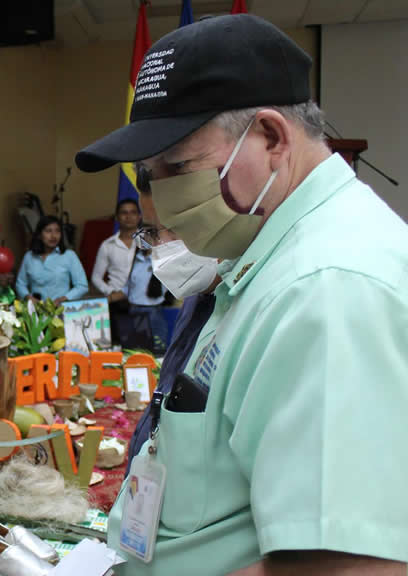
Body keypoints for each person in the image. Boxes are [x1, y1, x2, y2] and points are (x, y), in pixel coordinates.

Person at [76, 14, 408, 575]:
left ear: (272, 138)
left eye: (175, 167)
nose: (156, 200)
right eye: (147, 175)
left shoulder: (326, 289)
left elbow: (344, 567)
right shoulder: (264, 256)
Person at [125, 178, 218, 476]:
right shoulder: (195, 297)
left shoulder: (241, 313)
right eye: (152, 232)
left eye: (175, 228)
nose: (162, 246)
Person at [15, 215, 88, 304]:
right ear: (39, 235)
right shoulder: (29, 256)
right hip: (35, 311)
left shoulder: (69, 255)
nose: (53, 236)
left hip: (61, 310)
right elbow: (20, 284)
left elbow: (82, 286)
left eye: (57, 231)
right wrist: (28, 297)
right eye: (48, 231)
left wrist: (63, 299)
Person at [91, 199, 141, 301]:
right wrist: (111, 292)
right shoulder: (107, 245)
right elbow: (96, 277)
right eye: (124, 213)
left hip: (144, 300)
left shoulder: (149, 242)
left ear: (139, 216)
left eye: (133, 212)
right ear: (117, 217)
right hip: (117, 300)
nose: (128, 217)